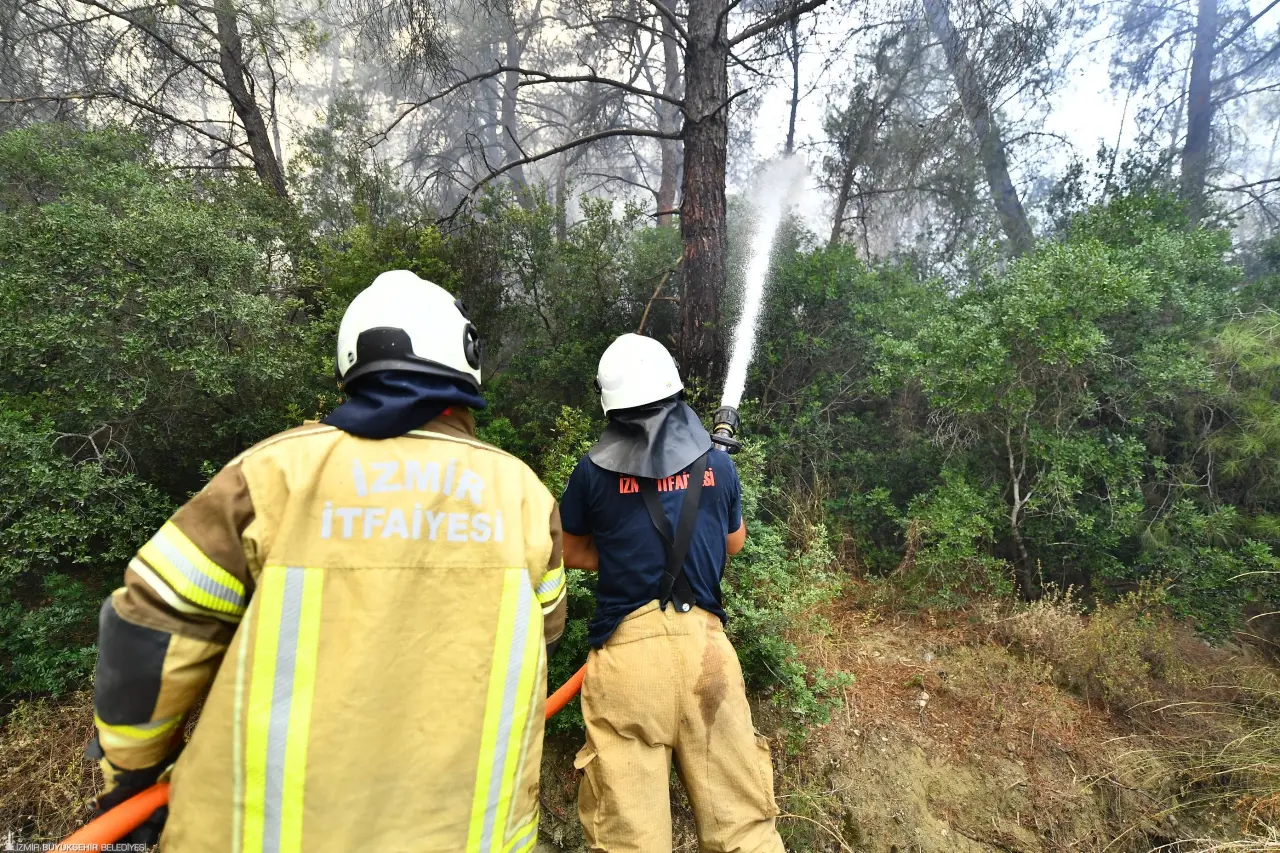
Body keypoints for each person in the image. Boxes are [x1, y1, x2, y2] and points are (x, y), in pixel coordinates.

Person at [88, 270, 567, 853]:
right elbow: (546, 633)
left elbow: (153, 629)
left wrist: (129, 778)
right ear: (466, 359)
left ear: (350, 364)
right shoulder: (524, 496)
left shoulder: (272, 475)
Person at [559, 333, 785, 853]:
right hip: (709, 655)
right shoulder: (718, 465)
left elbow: (568, 550)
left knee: (630, 838)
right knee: (744, 830)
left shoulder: (592, 472)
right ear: (673, 390)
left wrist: (618, 556)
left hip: (627, 662)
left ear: (610, 403)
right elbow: (734, 543)